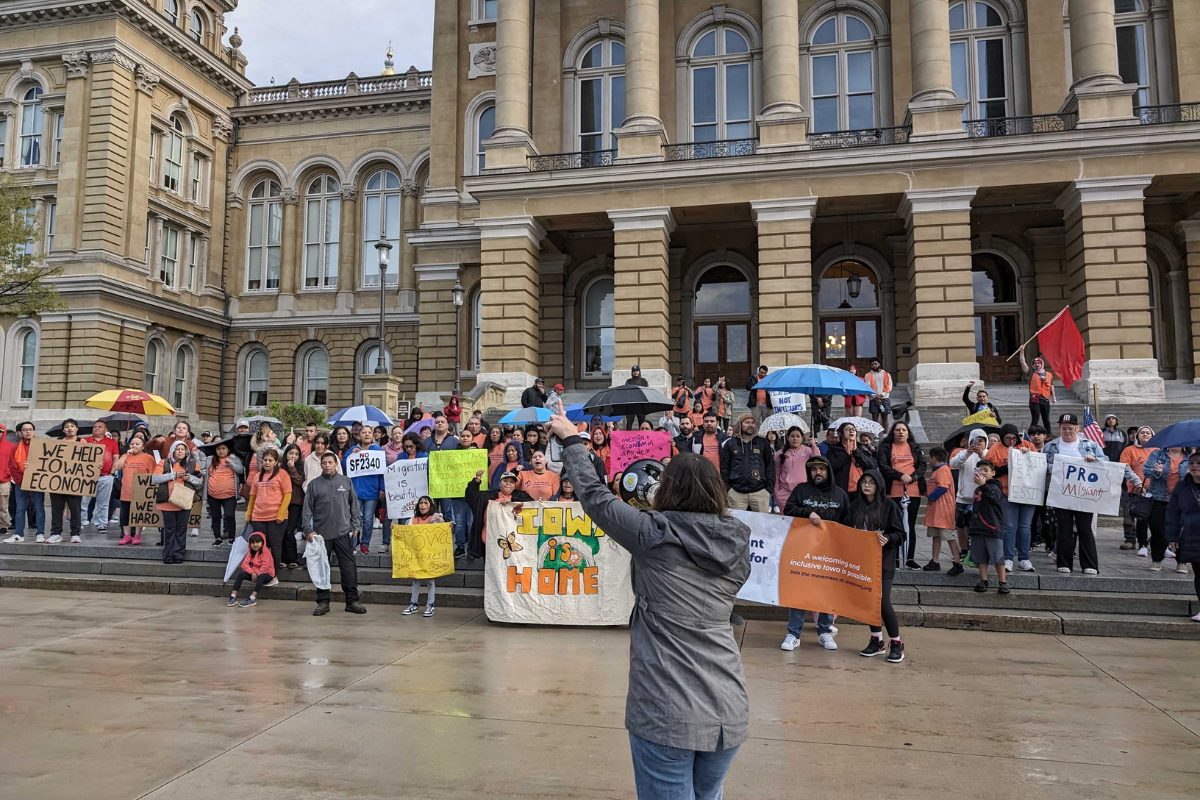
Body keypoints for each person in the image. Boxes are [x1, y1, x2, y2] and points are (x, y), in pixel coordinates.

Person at [546, 412, 749, 799]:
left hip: (667, 708)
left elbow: (595, 499)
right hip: (728, 707)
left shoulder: (653, 534)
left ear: (666, 489)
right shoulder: (737, 539)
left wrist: (573, 441)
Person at [1044, 413, 1139, 575]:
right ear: (1059, 428)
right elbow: (1043, 465)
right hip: (1061, 494)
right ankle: (1064, 562)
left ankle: (1090, 564)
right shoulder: (1051, 446)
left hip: (1085, 493)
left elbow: (1106, 463)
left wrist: (1095, 460)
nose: (1067, 431)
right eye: (1063, 428)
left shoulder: (1090, 444)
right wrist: (1056, 468)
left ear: (1077, 428)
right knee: (1064, 528)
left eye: (1070, 428)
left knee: (1085, 528)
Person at [781, 456, 849, 651]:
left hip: (830, 553)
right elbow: (789, 509)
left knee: (827, 593)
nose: (817, 472)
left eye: (821, 469)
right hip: (804, 551)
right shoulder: (801, 490)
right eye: (814, 469)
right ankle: (793, 634)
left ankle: (825, 632)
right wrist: (807, 512)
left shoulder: (840, 494)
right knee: (799, 593)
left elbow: (847, 521)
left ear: (828, 471)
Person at [301, 451, 367, 615]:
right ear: (321, 465)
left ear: (336, 464)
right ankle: (323, 602)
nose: (328, 465)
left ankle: (352, 601)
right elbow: (307, 509)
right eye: (325, 463)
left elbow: (354, 507)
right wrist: (307, 529)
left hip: (343, 533)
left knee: (349, 569)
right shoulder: (314, 485)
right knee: (321, 569)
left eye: (331, 462)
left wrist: (356, 526)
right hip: (321, 536)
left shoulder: (346, 481)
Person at [850, 470, 906, 663]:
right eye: (863, 482)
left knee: (883, 602)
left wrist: (888, 538)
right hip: (862, 562)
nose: (866, 485)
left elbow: (901, 534)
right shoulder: (855, 506)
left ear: (879, 485)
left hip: (884, 562)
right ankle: (876, 640)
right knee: (869, 602)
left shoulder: (889, 505)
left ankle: (897, 643)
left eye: (871, 483)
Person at [876, 421, 926, 570]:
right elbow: (883, 466)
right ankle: (895, 558)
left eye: (904, 430)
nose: (901, 432)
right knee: (894, 526)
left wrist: (913, 477)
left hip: (913, 491)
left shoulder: (915, 447)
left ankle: (910, 558)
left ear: (908, 433)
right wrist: (899, 475)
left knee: (910, 525)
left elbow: (923, 465)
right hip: (893, 492)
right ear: (893, 432)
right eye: (898, 430)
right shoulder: (885, 447)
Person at [986, 423, 1034, 573]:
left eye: (1014, 438)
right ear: (1002, 437)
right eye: (1007, 438)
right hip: (1007, 493)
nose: (1011, 441)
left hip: (1027, 493)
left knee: (1025, 527)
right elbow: (989, 470)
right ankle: (1008, 557)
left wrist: (1029, 456)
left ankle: (1024, 558)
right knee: (1009, 527)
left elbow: (1039, 465)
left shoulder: (1028, 445)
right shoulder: (995, 449)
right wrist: (1006, 467)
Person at [152, 441, 202, 564]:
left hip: (184, 501)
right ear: (173, 451)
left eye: (182, 449)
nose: (180, 451)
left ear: (186, 452)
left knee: (181, 529)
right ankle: (168, 555)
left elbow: (199, 482)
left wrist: (189, 478)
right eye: (177, 449)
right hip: (167, 502)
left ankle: (179, 555)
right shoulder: (164, 463)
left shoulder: (192, 464)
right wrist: (173, 475)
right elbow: (154, 478)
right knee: (169, 530)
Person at [464, 469, 532, 559]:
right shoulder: (487, 496)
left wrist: (512, 502)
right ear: (499, 484)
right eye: (505, 481)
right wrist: (476, 481)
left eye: (511, 482)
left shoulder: (522, 496)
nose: (508, 483)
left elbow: (531, 506)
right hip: (490, 538)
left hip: (513, 539)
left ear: (515, 486)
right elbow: (471, 495)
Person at [245, 446, 291, 576]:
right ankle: (260, 572)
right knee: (260, 546)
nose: (267, 462)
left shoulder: (282, 474)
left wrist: (281, 513)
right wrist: (249, 513)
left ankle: (273, 574)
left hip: (276, 517)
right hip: (259, 517)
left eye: (270, 460)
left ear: (276, 462)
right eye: (265, 460)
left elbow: (287, 495)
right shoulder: (257, 476)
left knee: (275, 546)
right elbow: (252, 497)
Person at [426, 414, 468, 556]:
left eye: (442, 422)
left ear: (447, 425)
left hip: (447, 485)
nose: (439, 424)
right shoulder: (426, 442)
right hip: (431, 484)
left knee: (448, 516)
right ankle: (431, 544)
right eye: (437, 422)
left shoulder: (455, 442)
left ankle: (448, 543)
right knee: (430, 514)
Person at [1165, 452, 1200, 620]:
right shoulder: (1182, 486)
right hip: (1191, 534)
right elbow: (1173, 513)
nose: (1195, 466)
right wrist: (1172, 537)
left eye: (1199, 463)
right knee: (1199, 573)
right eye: (1192, 462)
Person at [950, 429, 990, 568]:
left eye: (981, 441)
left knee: (976, 527)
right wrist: (967, 452)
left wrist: (981, 454)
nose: (978, 443)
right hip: (963, 497)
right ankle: (964, 550)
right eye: (975, 440)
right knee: (960, 526)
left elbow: (992, 466)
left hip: (980, 498)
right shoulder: (964, 453)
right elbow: (953, 464)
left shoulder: (988, 454)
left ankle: (976, 552)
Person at [720, 414, 775, 512]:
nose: (750, 425)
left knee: (761, 525)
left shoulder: (763, 443)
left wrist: (768, 489)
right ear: (740, 425)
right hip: (736, 493)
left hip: (760, 492)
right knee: (737, 525)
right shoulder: (730, 444)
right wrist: (728, 489)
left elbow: (770, 466)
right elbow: (724, 468)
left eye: (753, 423)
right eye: (747, 422)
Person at [968, 459, 1009, 593]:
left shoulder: (995, 486)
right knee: (981, 557)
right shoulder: (977, 488)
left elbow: (994, 498)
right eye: (980, 470)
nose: (983, 473)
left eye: (986, 470)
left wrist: (984, 485)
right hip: (978, 528)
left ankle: (1002, 582)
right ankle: (983, 580)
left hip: (992, 528)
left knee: (997, 556)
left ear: (993, 473)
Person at [1143, 445, 1185, 571]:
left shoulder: (1190, 457)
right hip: (1159, 498)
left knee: (1182, 531)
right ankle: (1156, 559)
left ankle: (1181, 561)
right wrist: (1157, 472)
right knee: (1158, 530)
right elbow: (1146, 470)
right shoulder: (1158, 454)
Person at [343, 427, 385, 555]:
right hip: (355, 490)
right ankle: (353, 543)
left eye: (369, 432)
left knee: (367, 519)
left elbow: (383, 472)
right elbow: (343, 465)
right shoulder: (352, 449)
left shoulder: (377, 450)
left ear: (372, 435)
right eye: (364, 432)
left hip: (372, 491)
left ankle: (365, 544)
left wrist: (382, 488)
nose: (367, 434)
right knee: (354, 518)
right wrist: (351, 455)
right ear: (359, 435)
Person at [401, 496, 443, 617]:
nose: (423, 505)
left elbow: (439, 532)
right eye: (421, 503)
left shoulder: (435, 518)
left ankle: (431, 605)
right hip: (416, 556)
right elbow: (406, 534)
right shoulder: (412, 520)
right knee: (416, 580)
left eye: (426, 503)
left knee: (430, 581)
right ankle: (413, 604)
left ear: (430, 505)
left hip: (429, 556)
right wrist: (395, 529)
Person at [923, 447, 962, 573]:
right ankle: (935, 560)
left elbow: (943, 487)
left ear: (933, 458)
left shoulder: (943, 470)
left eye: (930, 458)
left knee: (949, 537)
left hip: (943, 511)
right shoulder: (938, 471)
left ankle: (957, 562)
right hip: (936, 512)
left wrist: (930, 496)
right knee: (936, 536)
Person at [46, 418, 84, 544]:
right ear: (63, 430)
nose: (70, 428)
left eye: (72, 426)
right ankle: (56, 533)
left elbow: (89, 459)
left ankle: (75, 533)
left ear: (77, 429)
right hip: (57, 481)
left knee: (75, 508)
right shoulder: (56, 442)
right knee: (56, 508)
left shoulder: (82, 441)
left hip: (75, 481)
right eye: (67, 426)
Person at [114, 435, 157, 546]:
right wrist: (125, 456)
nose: (134, 446)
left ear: (142, 446)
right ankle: (126, 535)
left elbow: (153, 474)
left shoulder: (148, 458)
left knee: (138, 514)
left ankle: (137, 535)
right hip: (126, 491)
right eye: (132, 444)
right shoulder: (125, 456)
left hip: (141, 491)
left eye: (137, 444)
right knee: (125, 514)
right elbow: (117, 467)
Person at [1120, 426, 1157, 553]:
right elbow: (1125, 467)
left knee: (1157, 519)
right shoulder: (1129, 450)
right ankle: (1139, 543)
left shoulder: (1158, 450)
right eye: (1142, 432)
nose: (1145, 434)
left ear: (1152, 435)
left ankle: (1158, 543)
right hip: (1136, 490)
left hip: (1157, 491)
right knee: (1140, 518)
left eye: (1148, 432)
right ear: (1137, 436)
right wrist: (1138, 483)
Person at [82, 420, 120, 534]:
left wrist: (112, 473)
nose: (96, 428)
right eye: (94, 427)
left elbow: (116, 458)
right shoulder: (86, 440)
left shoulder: (112, 442)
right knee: (84, 501)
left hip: (105, 476)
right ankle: (82, 521)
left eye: (100, 427)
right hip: (87, 476)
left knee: (103, 502)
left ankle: (101, 524)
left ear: (105, 430)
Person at [203, 440, 244, 546]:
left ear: (228, 449)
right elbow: (203, 469)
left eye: (223, 449)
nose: (221, 451)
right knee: (215, 516)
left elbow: (240, 470)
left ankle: (231, 537)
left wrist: (231, 464)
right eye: (218, 449)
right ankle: (217, 537)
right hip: (213, 494)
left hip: (230, 494)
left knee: (230, 515)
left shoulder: (234, 458)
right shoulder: (210, 459)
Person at [773, 427, 821, 512]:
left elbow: (817, 461)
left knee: (802, 521)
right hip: (785, 494)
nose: (795, 438)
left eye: (798, 436)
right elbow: (776, 474)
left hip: (804, 493)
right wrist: (777, 494)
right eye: (792, 436)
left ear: (802, 438)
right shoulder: (779, 454)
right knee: (786, 523)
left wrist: (814, 445)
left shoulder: (808, 451)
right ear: (788, 438)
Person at [827, 422, 876, 495]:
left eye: (853, 429)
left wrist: (856, 451)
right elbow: (831, 467)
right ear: (840, 433)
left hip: (861, 488)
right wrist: (846, 455)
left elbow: (872, 465)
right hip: (841, 489)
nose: (851, 431)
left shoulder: (862, 448)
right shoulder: (834, 449)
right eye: (847, 429)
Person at [228, 532, 275, 608]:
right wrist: (252, 572)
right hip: (254, 573)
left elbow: (265, 566)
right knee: (241, 575)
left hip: (267, 573)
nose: (255, 544)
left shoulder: (265, 551)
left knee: (261, 577)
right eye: (252, 542)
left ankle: (252, 598)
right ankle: (233, 596)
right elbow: (244, 564)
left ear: (262, 542)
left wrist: (257, 574)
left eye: (257, 542)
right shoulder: (250, 551)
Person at [1019, 345, 1056, 431]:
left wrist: (1054, 397)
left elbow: (1051, 386)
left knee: (1046, 419)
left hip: (1045, 399)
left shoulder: (1049, 374)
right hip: (1035, 399)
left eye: (1038, 363)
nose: (1037, 365)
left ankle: (1048, 434)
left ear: (1042, 364)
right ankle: (1031, 434)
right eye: (1035, 363)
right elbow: (1022, 362)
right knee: (1035, 419)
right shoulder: (1031, 372)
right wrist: (1021, 352)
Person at [281, 444, 306, 567]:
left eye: (296, 454)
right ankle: (282, 558)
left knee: (290, 530)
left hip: (295, 502)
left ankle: (292, 558)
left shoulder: (300, 467)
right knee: (282, 530)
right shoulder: (281, 468)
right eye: (291, 453)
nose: (293, 456)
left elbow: (300, 481)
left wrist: (292, 469)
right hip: (281, 503)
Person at [865, 358, 893, 429]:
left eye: (875, 364)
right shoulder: (868, 375)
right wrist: (875, 396)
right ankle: (876, 436)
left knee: (885, 417)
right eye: (872, 364)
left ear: (879, 364)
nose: (874, 365)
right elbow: (867, 387)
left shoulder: (887, 374)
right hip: (873, 399)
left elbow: (889, 386)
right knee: (874, 418)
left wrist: (882, 395)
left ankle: (885, 435)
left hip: (884, 398)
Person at [623, 364, 650, 429]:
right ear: (632, 372)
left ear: (639, 371)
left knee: (642, 424)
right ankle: (628, 437)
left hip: (641, 405)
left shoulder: (643, 381)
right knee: (629, 423)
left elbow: (647, 392)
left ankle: (642, 437)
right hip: (630, 405)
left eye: (637, 371)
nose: (635, 372)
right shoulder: (628, 381)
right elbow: (626, 392)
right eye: (634, 371)